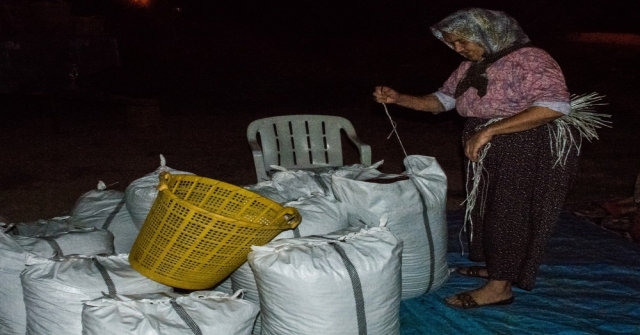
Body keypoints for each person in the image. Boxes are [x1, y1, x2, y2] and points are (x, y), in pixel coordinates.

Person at [373, 8, 600, 309]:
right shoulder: (473, 65)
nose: (458, 49)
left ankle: (499, 288)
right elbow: (442, 101)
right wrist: (399, 98)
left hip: (524, 144)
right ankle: (497, 268)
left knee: (509, 213)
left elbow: (553, 105)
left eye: (462, 41)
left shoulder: (530, 59)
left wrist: (489, 131)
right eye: (453, 43)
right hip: (488, 142)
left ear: (488, 33)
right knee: (487, 209)